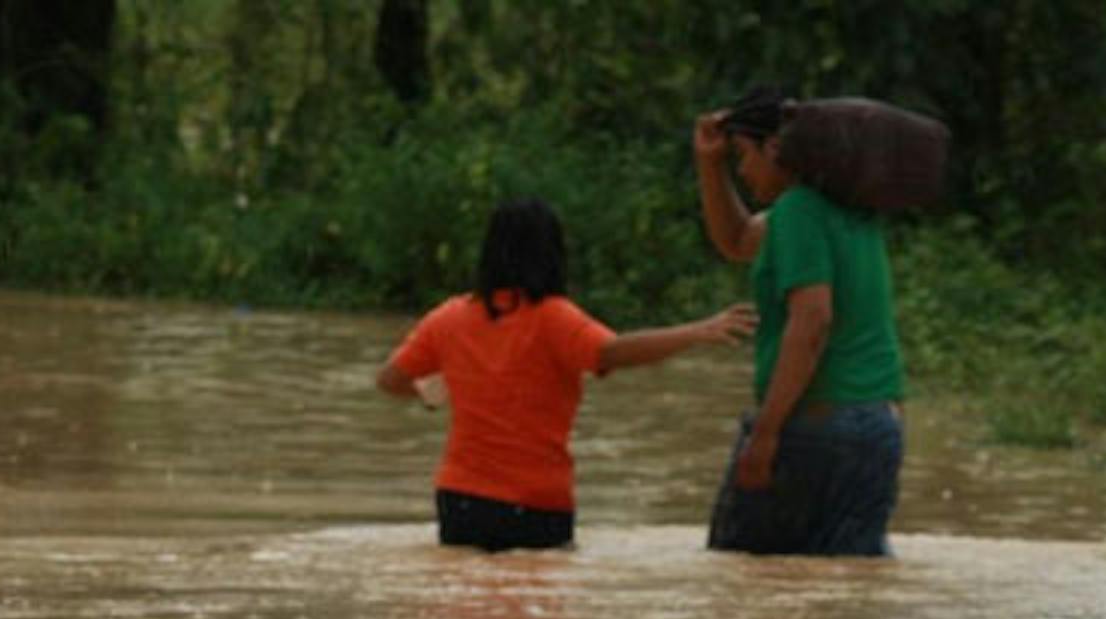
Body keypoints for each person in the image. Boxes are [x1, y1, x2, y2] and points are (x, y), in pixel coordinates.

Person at [378, 197, 754, 552]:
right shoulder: (553, 317)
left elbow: (391, 380)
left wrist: (432, 392)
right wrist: (694, 332)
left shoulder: (450, 316)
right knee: (534, 614)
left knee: (467, 606)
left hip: (460, 497)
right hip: (534, 501)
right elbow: (612, 352)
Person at [692, 86, 906, 557]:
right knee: (847, 590)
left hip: (814, 429)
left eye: (744, 156)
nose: (743, 172)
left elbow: (812, 322)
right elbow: (737, 241)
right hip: (876, 428)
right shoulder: (851, 210)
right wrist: (712, 164)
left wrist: (766, 433)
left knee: (744, 577)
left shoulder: (796, 212)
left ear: (775, 149)